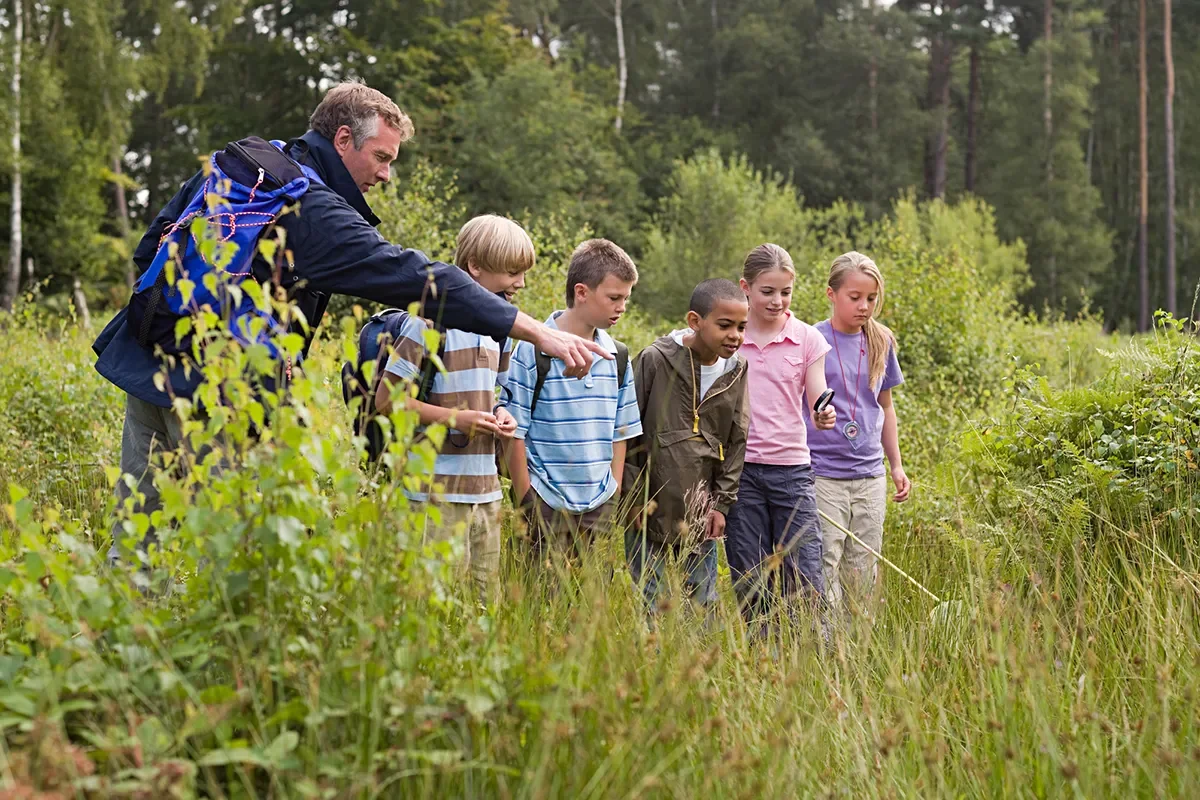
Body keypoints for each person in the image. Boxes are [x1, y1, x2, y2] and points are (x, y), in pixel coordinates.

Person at [97, 81, 607, 565]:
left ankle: (122, 646)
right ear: (343, 139)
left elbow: (152, 247)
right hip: (219, 395)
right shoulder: (310, 206)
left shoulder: (246, 163)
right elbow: (420, 280)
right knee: (227, 549)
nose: (386, 174)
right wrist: (538, 330)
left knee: (138, 536)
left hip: (150, 361)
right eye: (381, 157)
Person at [374, 215, 533, 602]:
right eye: (512, 272)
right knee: (434, 605)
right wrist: (455, 419)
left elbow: (495, 393)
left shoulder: (502, 331)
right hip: (433, 495)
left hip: (487, 494)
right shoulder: (428, 323)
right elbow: (387, 400)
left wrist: (501, 413)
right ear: (475, 267)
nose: (521, 283)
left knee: (485, 607)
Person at [501, 239, 642, 565]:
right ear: (582, 292)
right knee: (535, 603)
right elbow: (513, 431)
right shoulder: (532, 349)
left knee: (589, 608)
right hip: (545, 502)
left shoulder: (617, 355)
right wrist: (526, 499)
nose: (621, 307)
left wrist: (614, 491)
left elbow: (621, 432)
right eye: (614, 298)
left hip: (599, 505)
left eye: (626, 299)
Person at [724, 243, 836, 627]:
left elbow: (817, 390)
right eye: (767, 291)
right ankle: (760, 658)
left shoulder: (807, 339)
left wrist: (823, 411)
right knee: (750, 575)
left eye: (785, 292)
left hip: (791, 470)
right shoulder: (731, 339)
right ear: (746, 288)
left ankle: (813, 656)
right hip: (742, 473)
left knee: (805, 572)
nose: (777, 301)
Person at [623, 279, 750, 619]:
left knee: (702, 602)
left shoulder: (738, 370)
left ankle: (697, 670)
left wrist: (721, 504)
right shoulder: (654, 359)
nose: (734, 335)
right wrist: (632, 499)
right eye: (724, 325)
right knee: (649, 598)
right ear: (695, 321)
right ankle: (649, 665)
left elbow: (737, 439)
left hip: (701, 508)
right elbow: (627, 430)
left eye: (741, 327)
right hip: (648, 505)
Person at [806, 251, 910, 619]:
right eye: (855, 298)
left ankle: (856, 648)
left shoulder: (881, 340)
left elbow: (886, 406)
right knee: (825, 560)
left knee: (863, 566)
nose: (864, 306)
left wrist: (896, 465)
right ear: (831, 294)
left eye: (871, 298)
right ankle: (827, 644)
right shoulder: (811, 340)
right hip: (822, 473)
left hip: (869, 474)